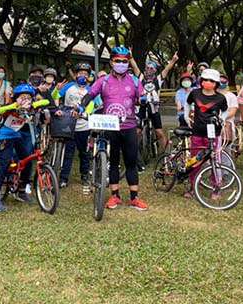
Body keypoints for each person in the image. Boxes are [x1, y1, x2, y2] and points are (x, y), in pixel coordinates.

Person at [80, 46, 147, 211]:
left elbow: (142, 97)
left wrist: (144, 100)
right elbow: (90, 95)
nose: (121, 64)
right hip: (110, 126)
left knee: (131, 162)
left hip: (129, 126)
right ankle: (114, 196)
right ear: (111, 62)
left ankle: (134, 198)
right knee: (114, 162)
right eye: (118, 61)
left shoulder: (134, 80)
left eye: (125, 61)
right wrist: (81, 106)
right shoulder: (102, 81)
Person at [0, 83, 44, 212]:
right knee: (5, 163)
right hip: (4, 137)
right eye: (22, 97)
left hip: (17, 136)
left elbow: (45, 101)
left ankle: (21, 190)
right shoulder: (10, 108)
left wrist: (37, 104)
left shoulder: (30, 109)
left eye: (28, 98)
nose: (25, 100)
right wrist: (14, 105)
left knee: (27, 159)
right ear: (16, 98)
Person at [185, 68, 228, 199]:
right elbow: (187, 104)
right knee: (195, 160)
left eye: (211, 81)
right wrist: (187, 116)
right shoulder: (195, 93)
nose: (208, 82)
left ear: (216, 83)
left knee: (214, 159)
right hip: (197, 131)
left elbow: (225, 111)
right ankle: (193, 187)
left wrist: (223, 120)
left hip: (214, 133)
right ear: (201, 81)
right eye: (205, 80)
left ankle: (216, 187)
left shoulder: (220, 98)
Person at [58, 63, 94, 191]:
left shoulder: (92, 89)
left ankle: (84, 176)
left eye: (85, 74)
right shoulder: (68, 87)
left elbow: (95, 104)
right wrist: (56, 91)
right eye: (80, 73)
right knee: (68, 153)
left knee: (84, 153)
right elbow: (56, 98)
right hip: (68, 125)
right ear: (76, 74)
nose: (82, 76)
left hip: (84, 126)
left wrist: (86, 112)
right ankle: (63, 178)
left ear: (89, 76)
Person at [134, 52, 178, 154]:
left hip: (154, 108)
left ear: (155, 70)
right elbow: (135, 67)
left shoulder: (158, 79)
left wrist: (173, 60)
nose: (149, 70)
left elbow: (166, 70)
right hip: (142, 107)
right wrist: (130, 57)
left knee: (159, 132)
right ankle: (135, 153)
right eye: (148, 68)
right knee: (137, 132)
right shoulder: (141, 77)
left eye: (152, 68)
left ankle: (166, 154)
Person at [218, 73, 239, 143]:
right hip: (213, 123)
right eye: (220, 81)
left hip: (227, 123)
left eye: (224, 81)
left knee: (226, 147)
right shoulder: (212, 95)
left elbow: (232, 112)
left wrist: (221, 118)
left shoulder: (232, 96)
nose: (222, 83)